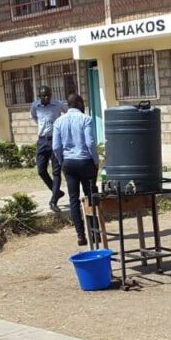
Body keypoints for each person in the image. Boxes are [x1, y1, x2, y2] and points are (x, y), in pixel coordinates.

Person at [52, 93, 98, 248]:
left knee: (73, 199)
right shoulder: (86, 119)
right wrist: (96, 161)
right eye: (82, 102)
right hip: (85, 161)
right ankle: (95, 232)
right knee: (90, 196)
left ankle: (80, 235)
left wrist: (61, 161)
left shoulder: (59, 121)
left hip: (68, 163)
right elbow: (90, 142)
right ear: (78, 103)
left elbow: (56, 147)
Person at [30, 86, 66, 213]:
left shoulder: (57, 105)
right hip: (41, 140)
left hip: (55, 140)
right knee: (41, 170)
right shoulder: (35, 106)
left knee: (56, 172)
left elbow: (67, 114)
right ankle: (56, 192)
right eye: (43, 96)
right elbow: (35, 118)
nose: (46, 98)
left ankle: (53, 201)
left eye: (48, 95)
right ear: (39, 96)